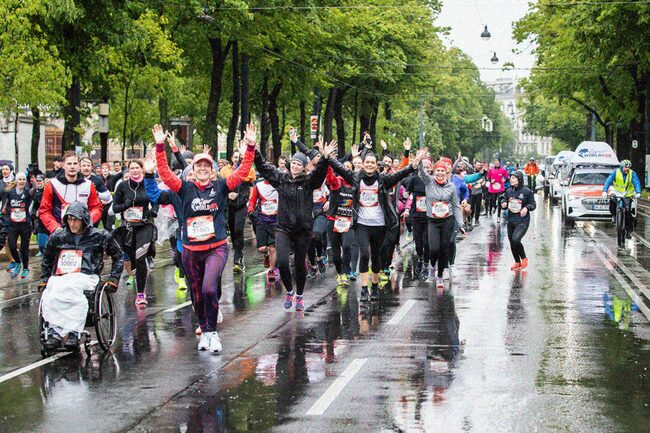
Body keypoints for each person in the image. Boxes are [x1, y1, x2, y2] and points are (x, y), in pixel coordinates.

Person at [152, 123, 257, 354]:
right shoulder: (184, 188)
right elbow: (165, 174)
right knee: (197, 293)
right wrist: (160, 147)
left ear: (212, 170)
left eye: (206, 165)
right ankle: (205, 330)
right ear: (193, 169)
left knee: (210, 288)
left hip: (216, 248)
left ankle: (213, 333)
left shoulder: (220, 186)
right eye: (198, 165)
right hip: (191, 250)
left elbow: (241, 173)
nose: (202, 168)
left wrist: (250, 146)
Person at [328, 146, 427, 301]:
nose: (369, 164)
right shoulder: (355, 177)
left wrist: (413, 165)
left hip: (379, 225)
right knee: (364, 254)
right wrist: (328, 157)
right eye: (367, 162)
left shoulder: (383, 180)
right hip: (361, 224)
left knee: (376, 256)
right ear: (363, 163)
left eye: (372, 162)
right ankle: (364, 289)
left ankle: (374, 286)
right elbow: (340, 169)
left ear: (376, 165)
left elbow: (400, 174)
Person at [255, 138, 335, 311]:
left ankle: (299, 294)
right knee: (282, 262)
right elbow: (263, 167)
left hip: (303, 230)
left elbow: (320, 173)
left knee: (300, 264)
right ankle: (289, 291)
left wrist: (326, 158)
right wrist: (253, 149)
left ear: (304, 167)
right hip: (283, 228)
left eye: (299, 164)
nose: (295, 166)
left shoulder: (308, 182)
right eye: (293, 163)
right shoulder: (281, 179)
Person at [39, 202, 123, 350]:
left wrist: (114, 278)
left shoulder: (99, 235)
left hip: (87, 276)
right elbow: (47, 256)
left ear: (83, 219)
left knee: (73, 289)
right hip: (63, 276)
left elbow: (118, 255)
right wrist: (45, 278)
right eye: (69, 219)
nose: (72, 223)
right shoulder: (59, 236)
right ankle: (54, 332)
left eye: (75, 220)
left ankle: (73, 332)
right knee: (51, 289)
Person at [112, 159, 157, 306]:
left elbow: (156, 199)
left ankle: (141, 294)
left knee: (140, 257)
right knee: (133, 260)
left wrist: (153, 211)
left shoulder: (147, 183)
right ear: (128, 170)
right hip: (129, 227)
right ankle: (146, 259)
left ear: (142, 169)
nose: (135, 170)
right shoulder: (123, 186)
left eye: (137, 168)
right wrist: (125, 205)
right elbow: (114, 207)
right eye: (132, 168)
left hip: (145, 225)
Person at [418, 158, 464, 289]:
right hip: (432, 221)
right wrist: (420, 159)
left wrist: (460, 224)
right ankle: (432, 266)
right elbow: (421, 172)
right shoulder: (429, 182)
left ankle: (439, 276)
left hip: (447, 220)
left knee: (444, 248)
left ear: (446, 172)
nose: (440, 173)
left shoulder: (451, 187)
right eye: (437, 170)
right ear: (434, 171)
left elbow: (455, 206)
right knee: (433, 249)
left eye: (442, 170)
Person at [39, 151, 103, 234]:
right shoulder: (52, 184)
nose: (72, 167)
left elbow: (97, 207)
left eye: (75, 163)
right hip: (59, 231)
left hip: (82, 233)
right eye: (69, 164)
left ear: (79, 166)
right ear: (63, 165)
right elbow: (44, 210)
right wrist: (54, 227)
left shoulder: (88, 184)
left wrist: (88, 221)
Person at [220, 148, 256, 272]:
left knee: (238, 229)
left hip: (241, 204)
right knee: (233, 232)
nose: (237, 159)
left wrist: (250, 200)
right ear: (231, 158)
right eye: (235, 157)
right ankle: (237, 250)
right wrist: (228, 195)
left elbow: (251, 187)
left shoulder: (250, 170)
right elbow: (221, 189)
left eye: (239, 157)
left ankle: (238, 257)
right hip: (229, 205)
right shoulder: (224, 171)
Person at [403, 157, 432, 277]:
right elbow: (407, 193)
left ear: (431, 168)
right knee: (418, 244)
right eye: (423, 165)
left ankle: (426, 265)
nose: (425, 168)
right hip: (416, 215)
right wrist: (405, 195)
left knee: (426, 243)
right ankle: (420, 258)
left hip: (429, 216)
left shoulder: (433, 180)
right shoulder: (414, 179)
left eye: (428, 166)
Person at [247, 175, 279, 282]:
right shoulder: (259, 185)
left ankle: (271, 271)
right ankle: (266, 254)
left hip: (275, 221)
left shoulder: (279, 185)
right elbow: (252, 200)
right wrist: (250, 209)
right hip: (261, 220)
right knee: (262, 248)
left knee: (273, 247)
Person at [502, 171, 536, 270]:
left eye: (513, 178)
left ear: (519, 179)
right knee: (512, 242)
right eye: (510, 178)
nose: (511, 180)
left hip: (522, 221)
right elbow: (504, 200)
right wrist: (503, 203)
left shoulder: (527, 191)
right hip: (511, 220)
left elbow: (533, 204)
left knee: (516, 239)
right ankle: (517, 262)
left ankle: (524, 258)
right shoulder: (508, 191)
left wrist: (526, 208)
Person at [602, 159, 641, 238]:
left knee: (627, 211)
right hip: (617, 192)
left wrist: (638, 192)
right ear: (621, 167)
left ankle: (628, 231)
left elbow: (636, 182)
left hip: (627, 194)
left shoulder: (632, 173)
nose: (627, 169)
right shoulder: (615, 172)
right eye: (625, 167)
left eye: (629, 167)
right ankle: (613, 215)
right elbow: (608, 181)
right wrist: (604, 191)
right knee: (612, 201)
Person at [3, 173, 31, 278]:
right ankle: (18, 263)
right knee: (12, 246)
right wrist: (4, 211)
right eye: (20, 179)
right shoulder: (11, 193)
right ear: (16, 180)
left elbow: (35, 194)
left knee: (24, 248)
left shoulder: (28, 192)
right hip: (13, 225)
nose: (22, 181)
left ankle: (25, 268)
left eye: (24, 179)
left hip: (25, 225)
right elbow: (6, 204)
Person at [30, 174, 49, 256]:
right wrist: (35, 213)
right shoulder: (34, 191)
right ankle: (42, 252)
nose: (38, 183)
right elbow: (33, 206)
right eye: (37, 181)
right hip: (38, 218)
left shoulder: (48, 191)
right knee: (41, 243)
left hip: (49, 217)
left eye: (40, 181)